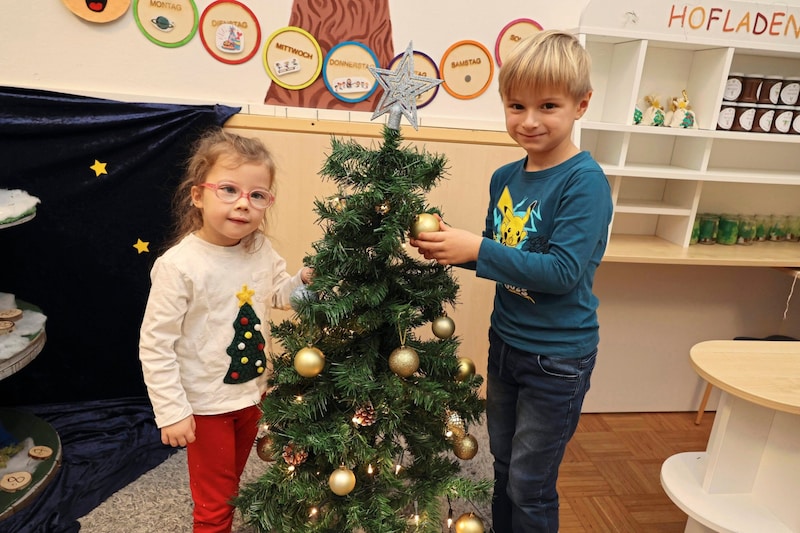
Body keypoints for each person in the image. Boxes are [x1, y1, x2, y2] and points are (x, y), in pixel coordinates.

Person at [409, 30, 613, 532]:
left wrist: (476, 249)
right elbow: (499, 254)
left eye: (548, 106)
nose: (529, 121)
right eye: (515, 106)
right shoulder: (505, 177)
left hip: (558, 360)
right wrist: (450, 251)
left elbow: (562, 274)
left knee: (530, 482)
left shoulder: (584, 182)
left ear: (581, 105)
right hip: (506, 346)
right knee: (502, 465)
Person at [139, 128, 313, 533]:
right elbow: (156, 344)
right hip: (205, 404)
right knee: (215, 501)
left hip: (251, 393)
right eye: (229, 189)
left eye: (257, 195)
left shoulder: (259, 250)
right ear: (198, 195)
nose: (243, 204)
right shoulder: (179, 265)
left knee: (229, 484)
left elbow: (278, 296)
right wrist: (172, 411)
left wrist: (303, 280)